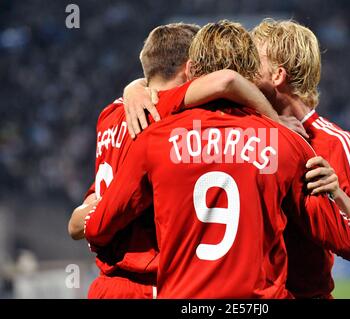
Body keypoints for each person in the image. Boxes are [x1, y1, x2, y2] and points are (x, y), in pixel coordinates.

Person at [84, 20, 350, 298]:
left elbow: (98, 227)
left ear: (193, 70)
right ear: (250, 71)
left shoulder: (156, 136)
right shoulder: (285, 145)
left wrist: (88, 224)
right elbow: (335, 231)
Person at [67, 22, 279, 298]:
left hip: (106, 283)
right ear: (190, 69)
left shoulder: (108, 115)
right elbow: (227, 80)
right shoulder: (162, 111)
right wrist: (277, 125)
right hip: (147, 282)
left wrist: (133, 87)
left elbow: (82, 217)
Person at [251, 18, 350, 298]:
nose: (244, 70)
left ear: (278, 76)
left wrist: (336, 192)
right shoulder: (244, 130)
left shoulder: (337, 143)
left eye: (254, 63)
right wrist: (137, 88)